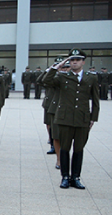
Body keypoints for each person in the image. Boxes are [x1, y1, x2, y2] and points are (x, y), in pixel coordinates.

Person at [42, 49, 100, 189]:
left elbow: (96, 100)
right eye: (72, 60)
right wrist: (57, 67)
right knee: (65, 148)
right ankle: (65, 177)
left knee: (79, 149)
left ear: (83, 62)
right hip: (65, 118)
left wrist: (93, 118)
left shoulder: (91, 78)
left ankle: (76, 177)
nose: (74, 62)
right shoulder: (62, 77)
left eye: (77, 60)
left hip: (82, 119)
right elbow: (46, 80)